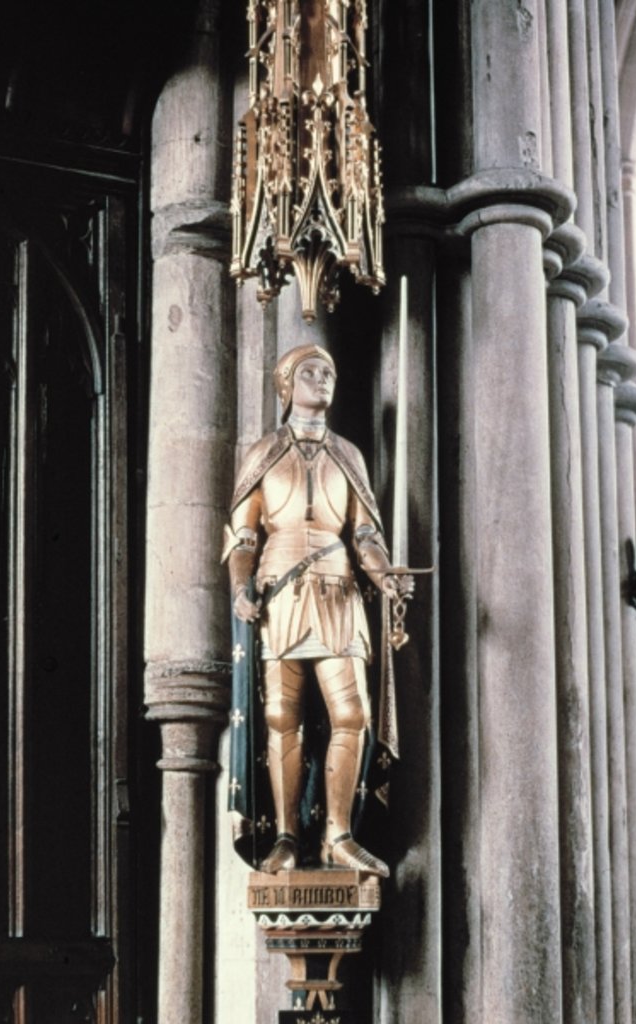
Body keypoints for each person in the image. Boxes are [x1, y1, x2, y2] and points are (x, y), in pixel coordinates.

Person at [222, 344, 412, 876]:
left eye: (327, 371)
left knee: (352, 714)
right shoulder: (262, 453)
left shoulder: (348, 455)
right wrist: (241, 588)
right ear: (285, 386)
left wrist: (385, 574)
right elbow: (243, 537)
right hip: (279, 592)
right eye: (308, 371)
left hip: (339, 593)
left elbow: (366, 534)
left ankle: (339, 834)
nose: (320, 379)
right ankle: (285, 837)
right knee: (281, 716)